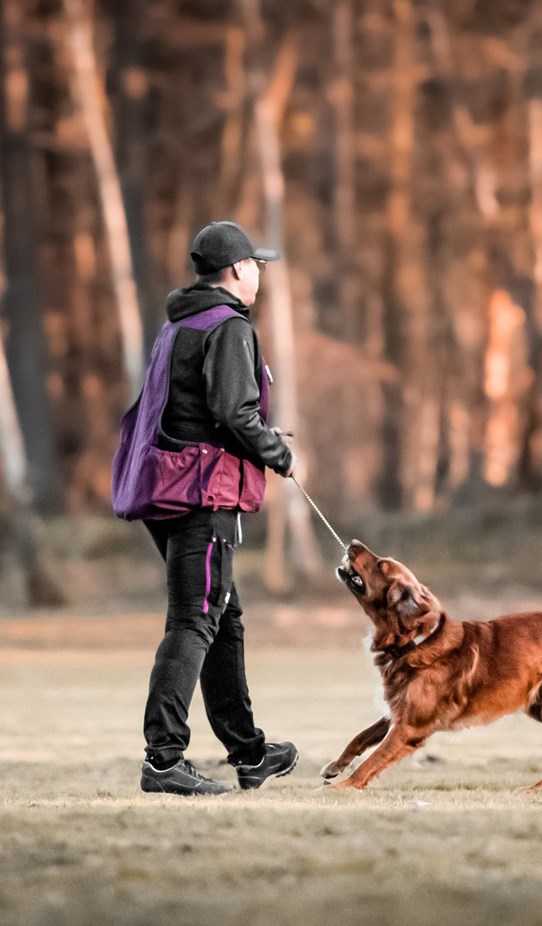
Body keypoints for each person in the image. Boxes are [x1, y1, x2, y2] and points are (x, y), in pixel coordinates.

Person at [112, 220, 299, 794]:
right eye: (256, 265)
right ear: (238, 269)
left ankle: (249, 752)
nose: (260, 273)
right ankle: (164, 760)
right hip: (203, 493)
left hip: (167, 490)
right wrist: (281, 454)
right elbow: (234, 412)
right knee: (195, 621)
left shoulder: (181, 324)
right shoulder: (230, 327)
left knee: (222, 620)